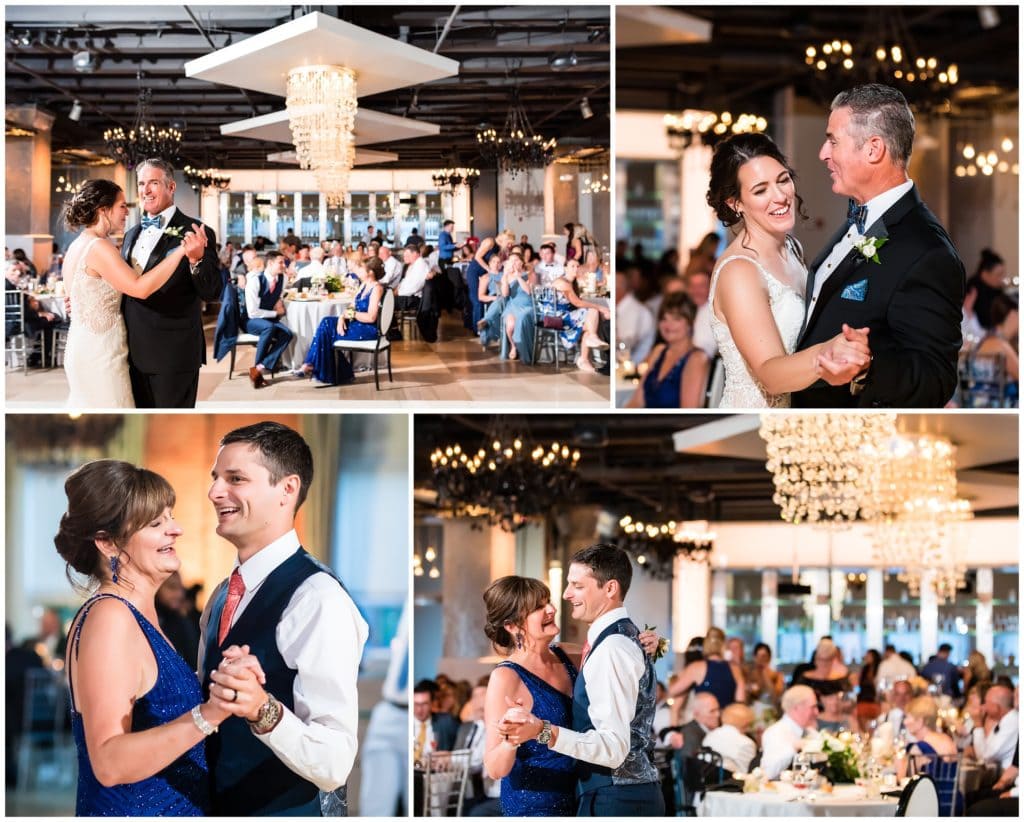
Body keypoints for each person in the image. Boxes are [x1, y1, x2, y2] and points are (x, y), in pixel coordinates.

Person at [55, 460, 262, 815]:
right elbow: (109, 761)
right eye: (157, 523)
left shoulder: (137, 616)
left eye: (170, 517)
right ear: (106, 543)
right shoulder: (111, 617)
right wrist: (209, 713)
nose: (176, 530)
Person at [200, 422, 369, 814]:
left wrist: (262, 709)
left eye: (235, 478)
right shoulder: (221, 595)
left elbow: (335, 762)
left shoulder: (318, 598)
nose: (214, 492)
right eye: (215, 479)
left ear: (287, 489)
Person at [794, 84, 965, 407]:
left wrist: (868, 368)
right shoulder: (857, 220)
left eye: (833, 141)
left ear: (874, 149)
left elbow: (936, 379)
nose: (823, 153)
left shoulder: (928, 252)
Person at [705, 132, 871, 407]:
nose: (781, 196)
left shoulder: (793, 248)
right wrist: (826, 354)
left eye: (783, 180)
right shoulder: (739, 272)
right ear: (736, 204)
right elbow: (769, 373)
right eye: (760, 190)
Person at [501, 545, 665, 816]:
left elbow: (613, 748)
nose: (565, 595)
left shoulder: (611, 648)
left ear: (610, 588)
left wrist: (542, 731)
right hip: (619, 793)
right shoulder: (618, 639)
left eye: (577, 585)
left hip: (616, 799)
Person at [58, 179, 208, 408]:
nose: (127, 211)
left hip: (82, 346)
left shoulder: (76, 246)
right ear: (103, 210)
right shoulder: (99, 247)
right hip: (101, 352)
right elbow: (139, 288)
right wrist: (180, 253)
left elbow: (76, 295)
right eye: (121, 206)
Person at [121, 158, 222, 408]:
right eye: (142, 183)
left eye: (153, 183)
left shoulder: (197, 231)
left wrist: (196, 260)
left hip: (173, 354)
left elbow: (212, 291)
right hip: (128, 353)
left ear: (171, 187)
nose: (145, 190)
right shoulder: (131, 234)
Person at [293, 256, 384, 385]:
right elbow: (352, 306)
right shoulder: (364, 284)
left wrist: (350, 314)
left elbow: (371, 317)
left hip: (368, 329)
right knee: (326, 322)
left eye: (361, 268)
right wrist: (342, 317)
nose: (358, 270)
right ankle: (335, 371)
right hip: (357, 323)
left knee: (327, 330)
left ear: (370, 272)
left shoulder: (376, 288)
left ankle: (313, 365)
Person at [627, 292, 711, 407]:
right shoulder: (659, 351)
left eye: (676, 319)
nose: (667, 325)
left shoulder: (696, 359)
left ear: (690, 323)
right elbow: (637, 401)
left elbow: (688, 411)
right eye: (664, 319)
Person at [542, 258, 611, 372]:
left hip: (564, 315)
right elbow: (577, 303)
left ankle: (584, 358)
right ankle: (590, 345)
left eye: (577, 266)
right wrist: (601, 308)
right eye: (572, 266)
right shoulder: (562, 283)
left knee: (590, 323)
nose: (576, 268)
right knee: (593, 311)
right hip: (557, 320)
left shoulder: (572, 282)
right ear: (565, 268)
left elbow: (577, 302)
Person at [242, 250, 294, 389]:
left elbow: (278, 295)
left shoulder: (283, 279)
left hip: (266, 318)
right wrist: (275, 313)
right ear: (270, 263)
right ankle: (258, 376)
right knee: (268, 328)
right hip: (250, 321)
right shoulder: (255, 281)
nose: (284, 265)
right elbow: (252, 313)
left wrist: (279, 301)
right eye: (281, 262)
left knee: (287, 334)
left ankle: (258, 368)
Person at [668, 632, 745, 708]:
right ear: (724, 645)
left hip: (704, 718)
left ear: (705, 646)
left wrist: (681, 674)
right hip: (728, 718)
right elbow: (740, 703)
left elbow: (672, 691)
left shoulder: (696, 667)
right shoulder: (736, 669)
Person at [760, 685, 820, 779]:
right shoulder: (775, 733)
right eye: (813, 707)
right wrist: (793, 748)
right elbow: (768, 773)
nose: (817, 712)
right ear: (796, 708)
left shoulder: (811, 732)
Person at [466, 229, 515, 328]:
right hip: (475, 271)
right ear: (504, 239)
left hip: (486, 273)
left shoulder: (500, 248)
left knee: (484, 299)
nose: (510, 246)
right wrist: (488, 269)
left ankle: (483, 326)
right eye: (509, 243)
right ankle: (477, 329)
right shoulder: (490, 242)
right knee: (477, 300)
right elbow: (477, 257)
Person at [498, 253, 538, 363]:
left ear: (521, 262)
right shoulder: (506, 276)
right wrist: (505, 276)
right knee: (510, 325)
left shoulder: (530, 274)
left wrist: (518, 277)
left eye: (516, 260)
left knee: (521, 318)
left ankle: (522, 348)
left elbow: (528, 291)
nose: (513, 263)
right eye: (511, 261)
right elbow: (505, 294)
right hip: (513, 305)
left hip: (527, 306)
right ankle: (514, 345)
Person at [615, 266, 657, 365]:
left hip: (633, 367)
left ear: (619, 290)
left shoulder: (634, 310)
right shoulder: (624, 308)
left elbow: (626, 346)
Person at [701, 703, 756, 775]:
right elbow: (749, 773)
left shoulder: (710, 735)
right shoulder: (746, 743)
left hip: (704, 781)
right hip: (730, 783)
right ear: (746, 723)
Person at [413, 679, 458, 763]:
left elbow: (461, 747)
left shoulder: (446, 722)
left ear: (432, 703)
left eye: (424, 704)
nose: (419, 710)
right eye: (416, 704)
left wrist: (449, 756)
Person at [965, 248, 1008, 329]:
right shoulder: (972, 290)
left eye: (1003, 274)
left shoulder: (997, 289)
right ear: (984, 274)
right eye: (999, 275)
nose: (1002, 279)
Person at [476, 254, 507, 347]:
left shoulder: (505, 275)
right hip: (493, 299)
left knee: (502, 301)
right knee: (499, 302)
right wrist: (494, 298)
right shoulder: (486, 277)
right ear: (489, 263)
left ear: (501, 264)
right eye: (494, 262)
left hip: (506, 297)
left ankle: (485, 321)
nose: (496, 264)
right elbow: (480, 296)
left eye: (498, 262)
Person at [678, 692, 721, 758]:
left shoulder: (715, 729)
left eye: (718, 709)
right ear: (696, 714)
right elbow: (689, 765)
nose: (718, 714)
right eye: (712, 711)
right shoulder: (691, 734)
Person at [747, 642, 785, 708]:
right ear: (754, 657)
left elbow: (776, 698)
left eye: (763, 656)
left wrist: (765, 674)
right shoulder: (749, 675)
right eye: (758, 656)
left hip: (770, 710)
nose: (760, 659)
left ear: (769, 657)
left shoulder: (778, 675)